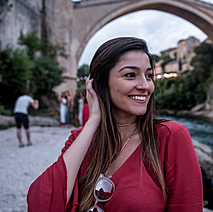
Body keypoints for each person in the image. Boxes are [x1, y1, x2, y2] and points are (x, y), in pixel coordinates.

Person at [27, 37, 203, 211]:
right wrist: (93, 121)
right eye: (130, 75)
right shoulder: (81, 139)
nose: (145, 85)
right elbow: (41, 205)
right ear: (99, 84)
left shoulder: (170, 136)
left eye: (148, 76)